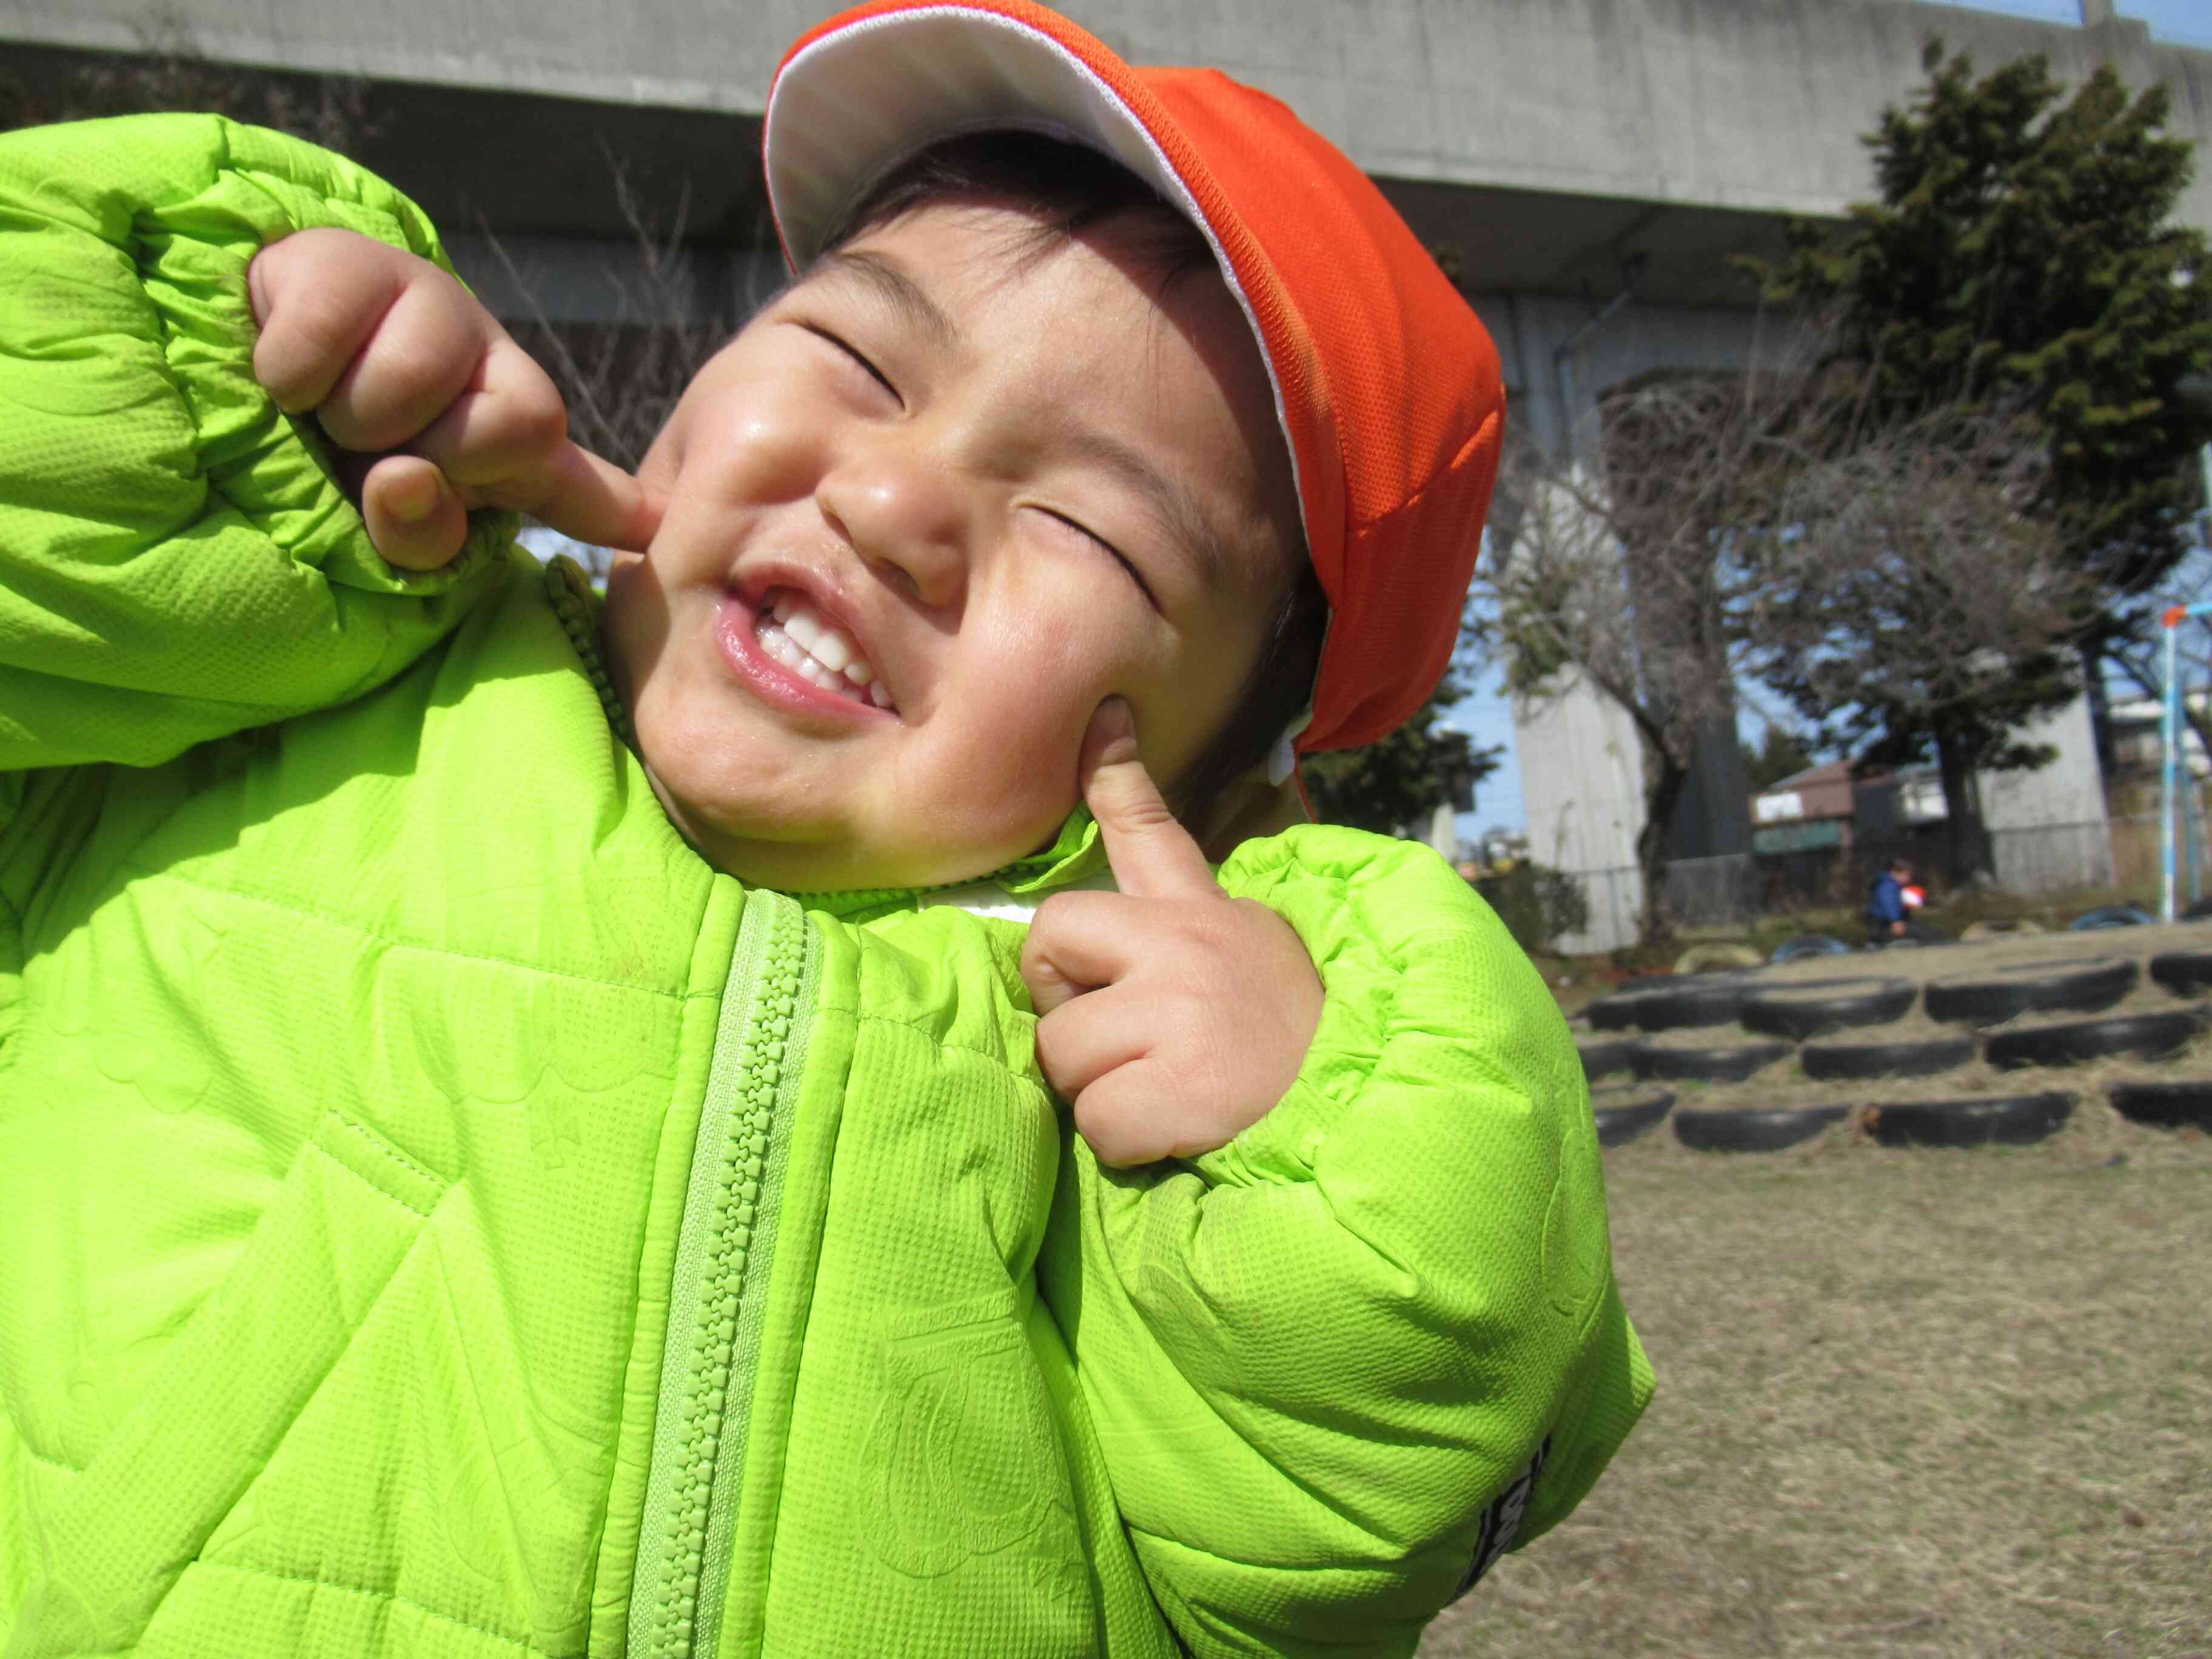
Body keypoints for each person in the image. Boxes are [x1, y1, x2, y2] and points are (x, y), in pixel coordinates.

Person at [0, 3, 1651, 1652]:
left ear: (1228, 787)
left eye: (1090, 527)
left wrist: (1318, 1148)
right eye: (862, 361)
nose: (891, 500)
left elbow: (1353, 1526)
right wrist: (200, 389)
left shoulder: (1135, 1093)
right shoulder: (287, 678)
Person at [1868, 856, 1915, 943]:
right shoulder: (1888, 886)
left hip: (1886, 923)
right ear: (1894, 872)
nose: (1909, 878)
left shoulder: (1894, 886)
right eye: (1906, 875)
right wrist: (1895, 921)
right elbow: (1889, 904)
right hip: (1884, 925)